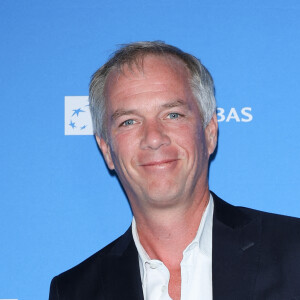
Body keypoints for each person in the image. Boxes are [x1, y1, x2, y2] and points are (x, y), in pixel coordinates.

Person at [49, 41, 300, 300]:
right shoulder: (74, 291)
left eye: (173, 115)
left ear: (210, 132)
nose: (154, 138)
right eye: (129, 121)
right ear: (106, 150)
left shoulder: (293, 252)